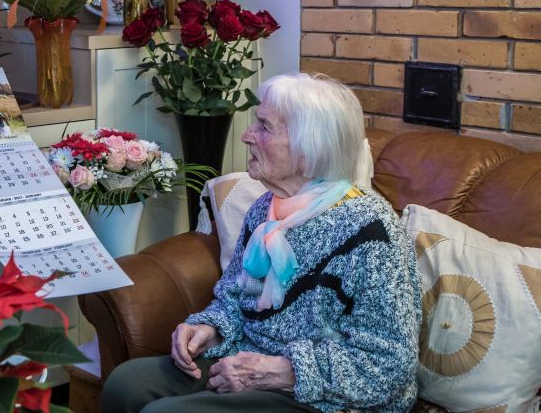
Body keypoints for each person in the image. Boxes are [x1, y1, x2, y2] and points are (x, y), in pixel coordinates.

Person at [101, 73, 422, 413]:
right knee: (125, 384)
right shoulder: (265, 210)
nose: (246, 135)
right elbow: (240, 296)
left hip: (325, 398)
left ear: (307, 149)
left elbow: (390, 365)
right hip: (250, 361)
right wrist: (210, 328)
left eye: (264, 127)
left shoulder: (371, 231)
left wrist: (287, 371)